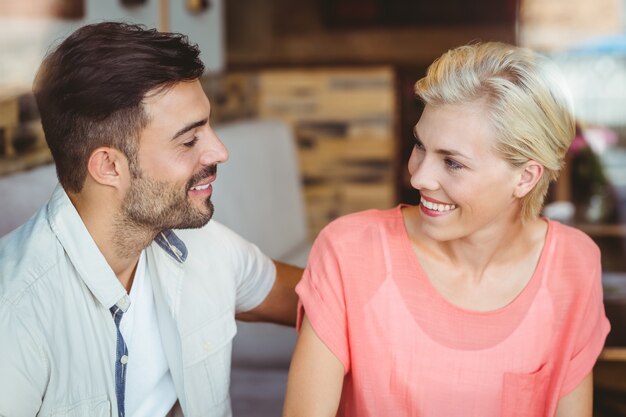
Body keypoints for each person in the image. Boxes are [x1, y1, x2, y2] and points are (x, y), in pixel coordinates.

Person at [283, 42, 610, 417]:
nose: (419, 176)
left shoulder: (573, 264)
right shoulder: (349, 251)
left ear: (525, 177)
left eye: (452, 163)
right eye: (420, 145)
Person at [0, 22, 302, 417]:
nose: (220, 151)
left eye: (209, 128)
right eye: (189, 140)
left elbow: (323, 301)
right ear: (108, 166)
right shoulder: (16, 314)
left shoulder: (205, 247)